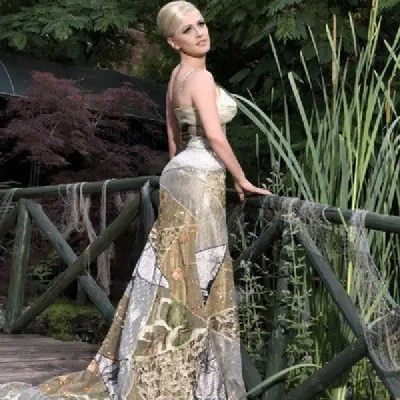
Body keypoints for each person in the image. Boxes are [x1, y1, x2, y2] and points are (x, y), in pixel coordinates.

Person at [0, 1, 270, 399]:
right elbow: (214, 135)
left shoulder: (176, 76)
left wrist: (175, 172)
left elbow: (172, 135)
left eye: (201, 23)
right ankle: (185, 375)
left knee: (170, 271)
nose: (200, 32)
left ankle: (167, 363)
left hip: (179, 173)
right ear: (173, 41)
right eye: (188, 29)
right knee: (197, 273)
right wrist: (242, 179)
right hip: (201, 176)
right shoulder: (200, 76)